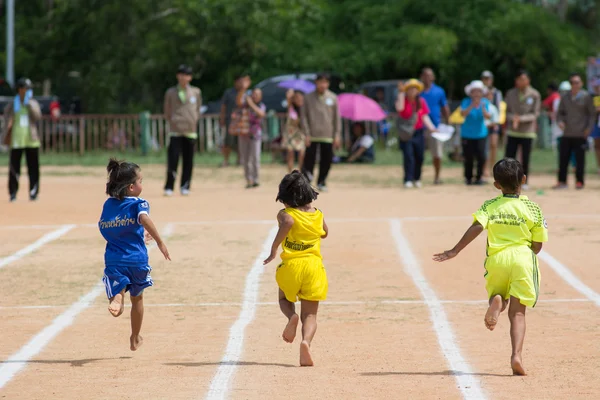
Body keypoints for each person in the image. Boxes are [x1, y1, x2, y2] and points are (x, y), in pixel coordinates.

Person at [433, 158, 548, 376]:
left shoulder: (490, 205)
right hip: (523, 259)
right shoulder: (533, 208)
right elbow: (537, 245)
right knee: (518, 313)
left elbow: (477, 226)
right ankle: (516, 356)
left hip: (497, 259)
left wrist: (454, 250)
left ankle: (497, 300)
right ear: (523, 180)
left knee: (498, 294)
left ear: (497, 185)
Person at [99, 159, 171, 351]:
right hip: (137, 259)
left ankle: (117, 295)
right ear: (132, 187)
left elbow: (106, 227)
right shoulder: (139, 203)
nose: (142, 184)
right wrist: (159, 241)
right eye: (141, 181)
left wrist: (134, 235)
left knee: (117, 281)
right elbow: (144, 218)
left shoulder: (109, 205)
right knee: (138, 298)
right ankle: (135, 335)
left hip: (115, 259)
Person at [263, 171, 329, 367]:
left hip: (292, 266)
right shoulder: (317, 213)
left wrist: (274, 248)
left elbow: (288, 222)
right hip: (314, 268)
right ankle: (305, 342)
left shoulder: (286, 214)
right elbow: (325, 233)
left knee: (284, 298)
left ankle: (291, 316)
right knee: (310, 314)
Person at [163, 64, 201, 196]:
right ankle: (169, 186)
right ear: (178, 76)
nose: (184, 77)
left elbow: (197, 109)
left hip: (190, 131)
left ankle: (185, 186)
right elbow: (167, 111)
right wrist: (173, 120)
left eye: (187, 75)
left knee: (188, 160)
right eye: (182, 74)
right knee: (173, 160)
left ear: (190, 77)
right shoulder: (171, 92)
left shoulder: (196, 92)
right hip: (175, 131)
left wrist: (193, 120)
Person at [3, 78, 42, 202]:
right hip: (16, 140)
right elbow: (6, 117)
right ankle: (13, 193)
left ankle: (33, 193)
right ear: (19, 89)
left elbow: (37, 116)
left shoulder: (32, 103)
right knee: (14, 168)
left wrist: (29, 104)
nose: (28, 91)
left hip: (31, 140)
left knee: (33, 168)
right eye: (26, 88)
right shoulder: (12, 104)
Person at [301, 73, 342, 192]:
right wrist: (306, 133)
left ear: (328, 84)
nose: (323, 85)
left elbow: (337, 118)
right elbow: (304, 117)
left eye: (325, 82)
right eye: (320, 82)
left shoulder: (333, 97)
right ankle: (307, 183)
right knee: (309, 160)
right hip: (312, 135)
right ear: (316, 83)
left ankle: (322, 181)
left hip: (328, 135)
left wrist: (337, 134)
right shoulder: (308, 98)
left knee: (327, 159)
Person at [555, 73, 596, 190]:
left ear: (581, 83)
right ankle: (562, 181)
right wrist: (560, 122)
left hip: (580, 133)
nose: (575, 85)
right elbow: (559, 113)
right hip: (567, 133)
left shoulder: (586, 97)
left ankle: (579, 182)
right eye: (572, 82)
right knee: (563, 158)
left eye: (577, 82)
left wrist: (589, 128)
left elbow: (591, 115)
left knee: (580, 160)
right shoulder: (565, 97)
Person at [396, 79, 436, 188]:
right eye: (410, 89)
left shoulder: (421, 101)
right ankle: (408, 179)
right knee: (408, 156)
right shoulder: (402, 99)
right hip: (407, 133)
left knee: (419, 156)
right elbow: (400, 108)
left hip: (418, 132)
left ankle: (417, 178)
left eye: (415, 89)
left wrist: (432, 128)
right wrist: (400, 92)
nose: (413, 91)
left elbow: (424, 116)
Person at [504, 70, 541, 190]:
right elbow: (506, 111)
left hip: (527, 132)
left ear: (528, 80)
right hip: (512, 131)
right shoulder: (510, 93)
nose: (521, 82)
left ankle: (523, 182)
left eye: (524, 79)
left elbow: (535, 114)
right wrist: (512, 118)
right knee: (509, 159)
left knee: (525, 159)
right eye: (519, 79)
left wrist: (520, 119)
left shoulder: (535, 94)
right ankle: (508, 182)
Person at [420, 68, 450, 184]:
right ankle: (418, 176)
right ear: (422, 77)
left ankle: (437, 177)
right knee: (419, 153)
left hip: (435, 127)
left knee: (437, 154)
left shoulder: (439, 91)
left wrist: (448, 121)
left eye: (430, 76)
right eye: (425, 75)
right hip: (420, 127)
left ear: (433, 78)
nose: (427, 78)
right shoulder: (418, 91)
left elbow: (444, 107)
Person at [460, 80, 491, 185]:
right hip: (467, 134)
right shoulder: (466, 101)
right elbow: (462, 114)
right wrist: (472, 105)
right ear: (471, 92)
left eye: (479, 91)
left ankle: (479, 177)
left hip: (481, 134)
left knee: (481, 156)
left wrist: (482, 108)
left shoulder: (485, 102)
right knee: (468, 157)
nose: (477, 94)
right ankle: (468, 177)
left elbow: (488, 116)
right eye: (474, 91)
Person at [220, 73, 250, 167]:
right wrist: (222, 118)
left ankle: (239, 159)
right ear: (235, 82)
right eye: (240, 82)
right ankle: (226, 160)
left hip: (242, 121)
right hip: (230, 120)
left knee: (240, 142)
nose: (241, 84)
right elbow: (223, 106)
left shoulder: (246, 93)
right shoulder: (229, 92)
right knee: (228, 141)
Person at [239, 88, 266, 188]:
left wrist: (251, 103)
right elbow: (238, 101)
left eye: (257, 94)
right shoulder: (244, 106)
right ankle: (248, 179)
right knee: (245, 158)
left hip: (255, 134)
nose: (255, 96)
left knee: (255, 157)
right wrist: (243, 89)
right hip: (244, 133)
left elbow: (261, 114)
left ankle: (256, 179)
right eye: (254, 94)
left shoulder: (261, 105)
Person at [283, 89, 307, 172]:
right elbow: (289, 102)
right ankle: (290, 172)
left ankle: (301, 172)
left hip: (300, 134)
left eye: (300, 98)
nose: (299, 100)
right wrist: (289, 95)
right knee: (290, 153)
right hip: (290, 134)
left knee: (302, 154)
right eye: (296, 98)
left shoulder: (304, 109)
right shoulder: (291, 108)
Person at [483, 89, 501, 176]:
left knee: (493, 146)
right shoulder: (481, 106)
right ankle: (485, 168)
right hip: (483, 130)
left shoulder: (493, 107)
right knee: (485, 150)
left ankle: (492, 167)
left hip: (491, 129)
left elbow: (496, 121)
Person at [590, 79, 600, 175]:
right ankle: (599, 167)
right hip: (597, 124)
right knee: (597, 146)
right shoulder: (594, 98)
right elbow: (594, 110)